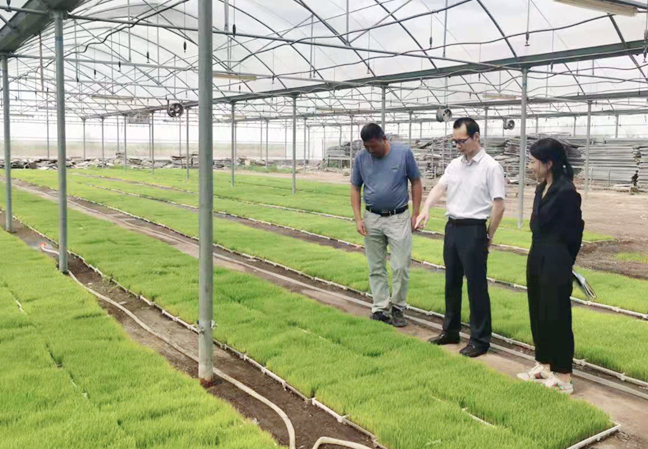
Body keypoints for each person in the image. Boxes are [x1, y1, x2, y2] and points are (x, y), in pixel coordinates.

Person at [415, 118, 506, 357]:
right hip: (453, 228)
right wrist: (426, 208)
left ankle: (480, 340)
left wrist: (489, 235)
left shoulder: (491, 167)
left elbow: (499, 205)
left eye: (461, 141)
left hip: (474, 229)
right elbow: (439, 187)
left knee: (476, 286)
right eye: (454, 141)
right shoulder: (454, 165)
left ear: (476, 137)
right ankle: (450, 331)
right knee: (452, 282)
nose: (457, 146)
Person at [517, 138, 583, 395]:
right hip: (537, 253)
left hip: (556, 256)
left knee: (557, 314)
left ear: (549, 163)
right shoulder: (540, 188)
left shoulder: (567, 192)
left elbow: (575, 232)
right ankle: (544, 364)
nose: (530, 166)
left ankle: (563, 376)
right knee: (538, 310)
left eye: (534, 161)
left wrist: (565, 260)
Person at [350, 123, 422, 327]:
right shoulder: (361, 158)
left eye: (374, 146)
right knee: (376, 266)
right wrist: (358, 218)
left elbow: (416, 182)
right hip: (372, 217)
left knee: (400, 266)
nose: (371, 151)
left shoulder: (403, 153)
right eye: (367, 147)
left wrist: (416, 213)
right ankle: (380, 308)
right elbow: (355, 187)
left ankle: (398, 307)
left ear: (384, 139)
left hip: (398, 217)